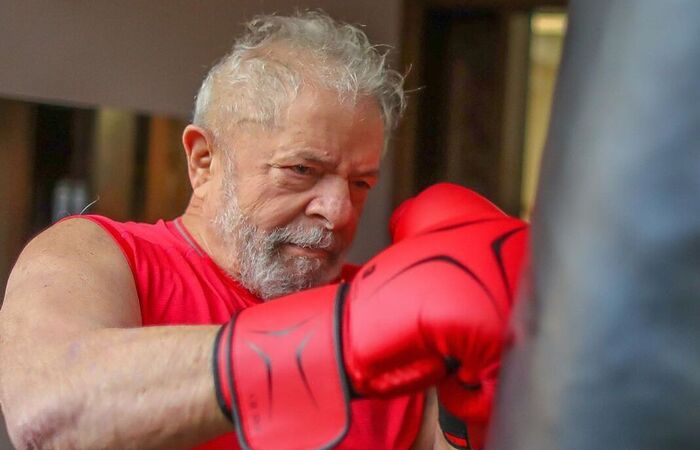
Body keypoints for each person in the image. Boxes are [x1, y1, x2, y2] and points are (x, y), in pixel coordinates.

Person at [0, 11, 527, 450]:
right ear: (204, 161)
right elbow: (48, 410)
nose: (339, 210)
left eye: (361, 181)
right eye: (302, 170)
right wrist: (337, 342)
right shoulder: (105, 255)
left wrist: (477, 413)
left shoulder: (396, 307)